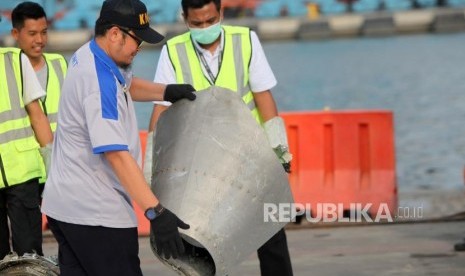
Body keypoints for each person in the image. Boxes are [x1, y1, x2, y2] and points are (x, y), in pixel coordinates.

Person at [40, 0, 196, 274]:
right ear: (114, 34)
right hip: (97, 215)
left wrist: (165, 92)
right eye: (137, 40)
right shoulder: (97, 83)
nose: (140, 48)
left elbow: (125, 85)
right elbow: (116, 155)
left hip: (65, 206)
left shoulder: (91, 54)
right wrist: (156, 212)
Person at [145, 0, 293, 275]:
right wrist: (151, 165)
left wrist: (279, 150)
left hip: (250, 154)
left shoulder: (246, 41)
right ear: (184, 19)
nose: (204, 28)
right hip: (200, 161)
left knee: (271, 232)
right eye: (196, 24)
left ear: (221, 13)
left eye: (210, 21)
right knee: (199, 240)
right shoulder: (173, 51)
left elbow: (264, 97)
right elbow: (161, 110)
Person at [0, 47, 53, 259]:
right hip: (21, 173)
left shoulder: (15, 60)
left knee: (29, 257)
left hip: (23, 173)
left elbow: (37, 115)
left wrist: (52, 165)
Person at [11, 1, 67, 184]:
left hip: (62, 169)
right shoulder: (7, 71)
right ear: (15, 34)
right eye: (32, 34)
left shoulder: (60, 64)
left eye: (44, 32)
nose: (40, 40)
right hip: (25, 175)